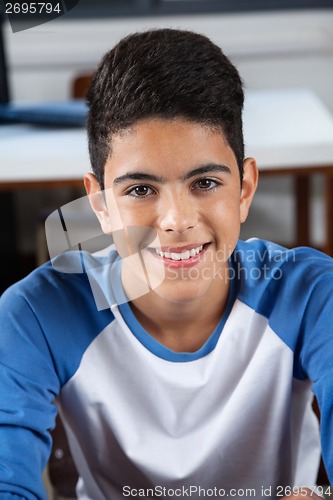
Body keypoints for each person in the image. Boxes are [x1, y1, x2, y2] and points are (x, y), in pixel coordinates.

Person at [0, 28, 331, 500]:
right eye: (140, 190)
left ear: (245, 188)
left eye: (206, 183)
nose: (176, 221)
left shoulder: (311, 294)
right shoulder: (34, 315)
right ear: (100, 203)